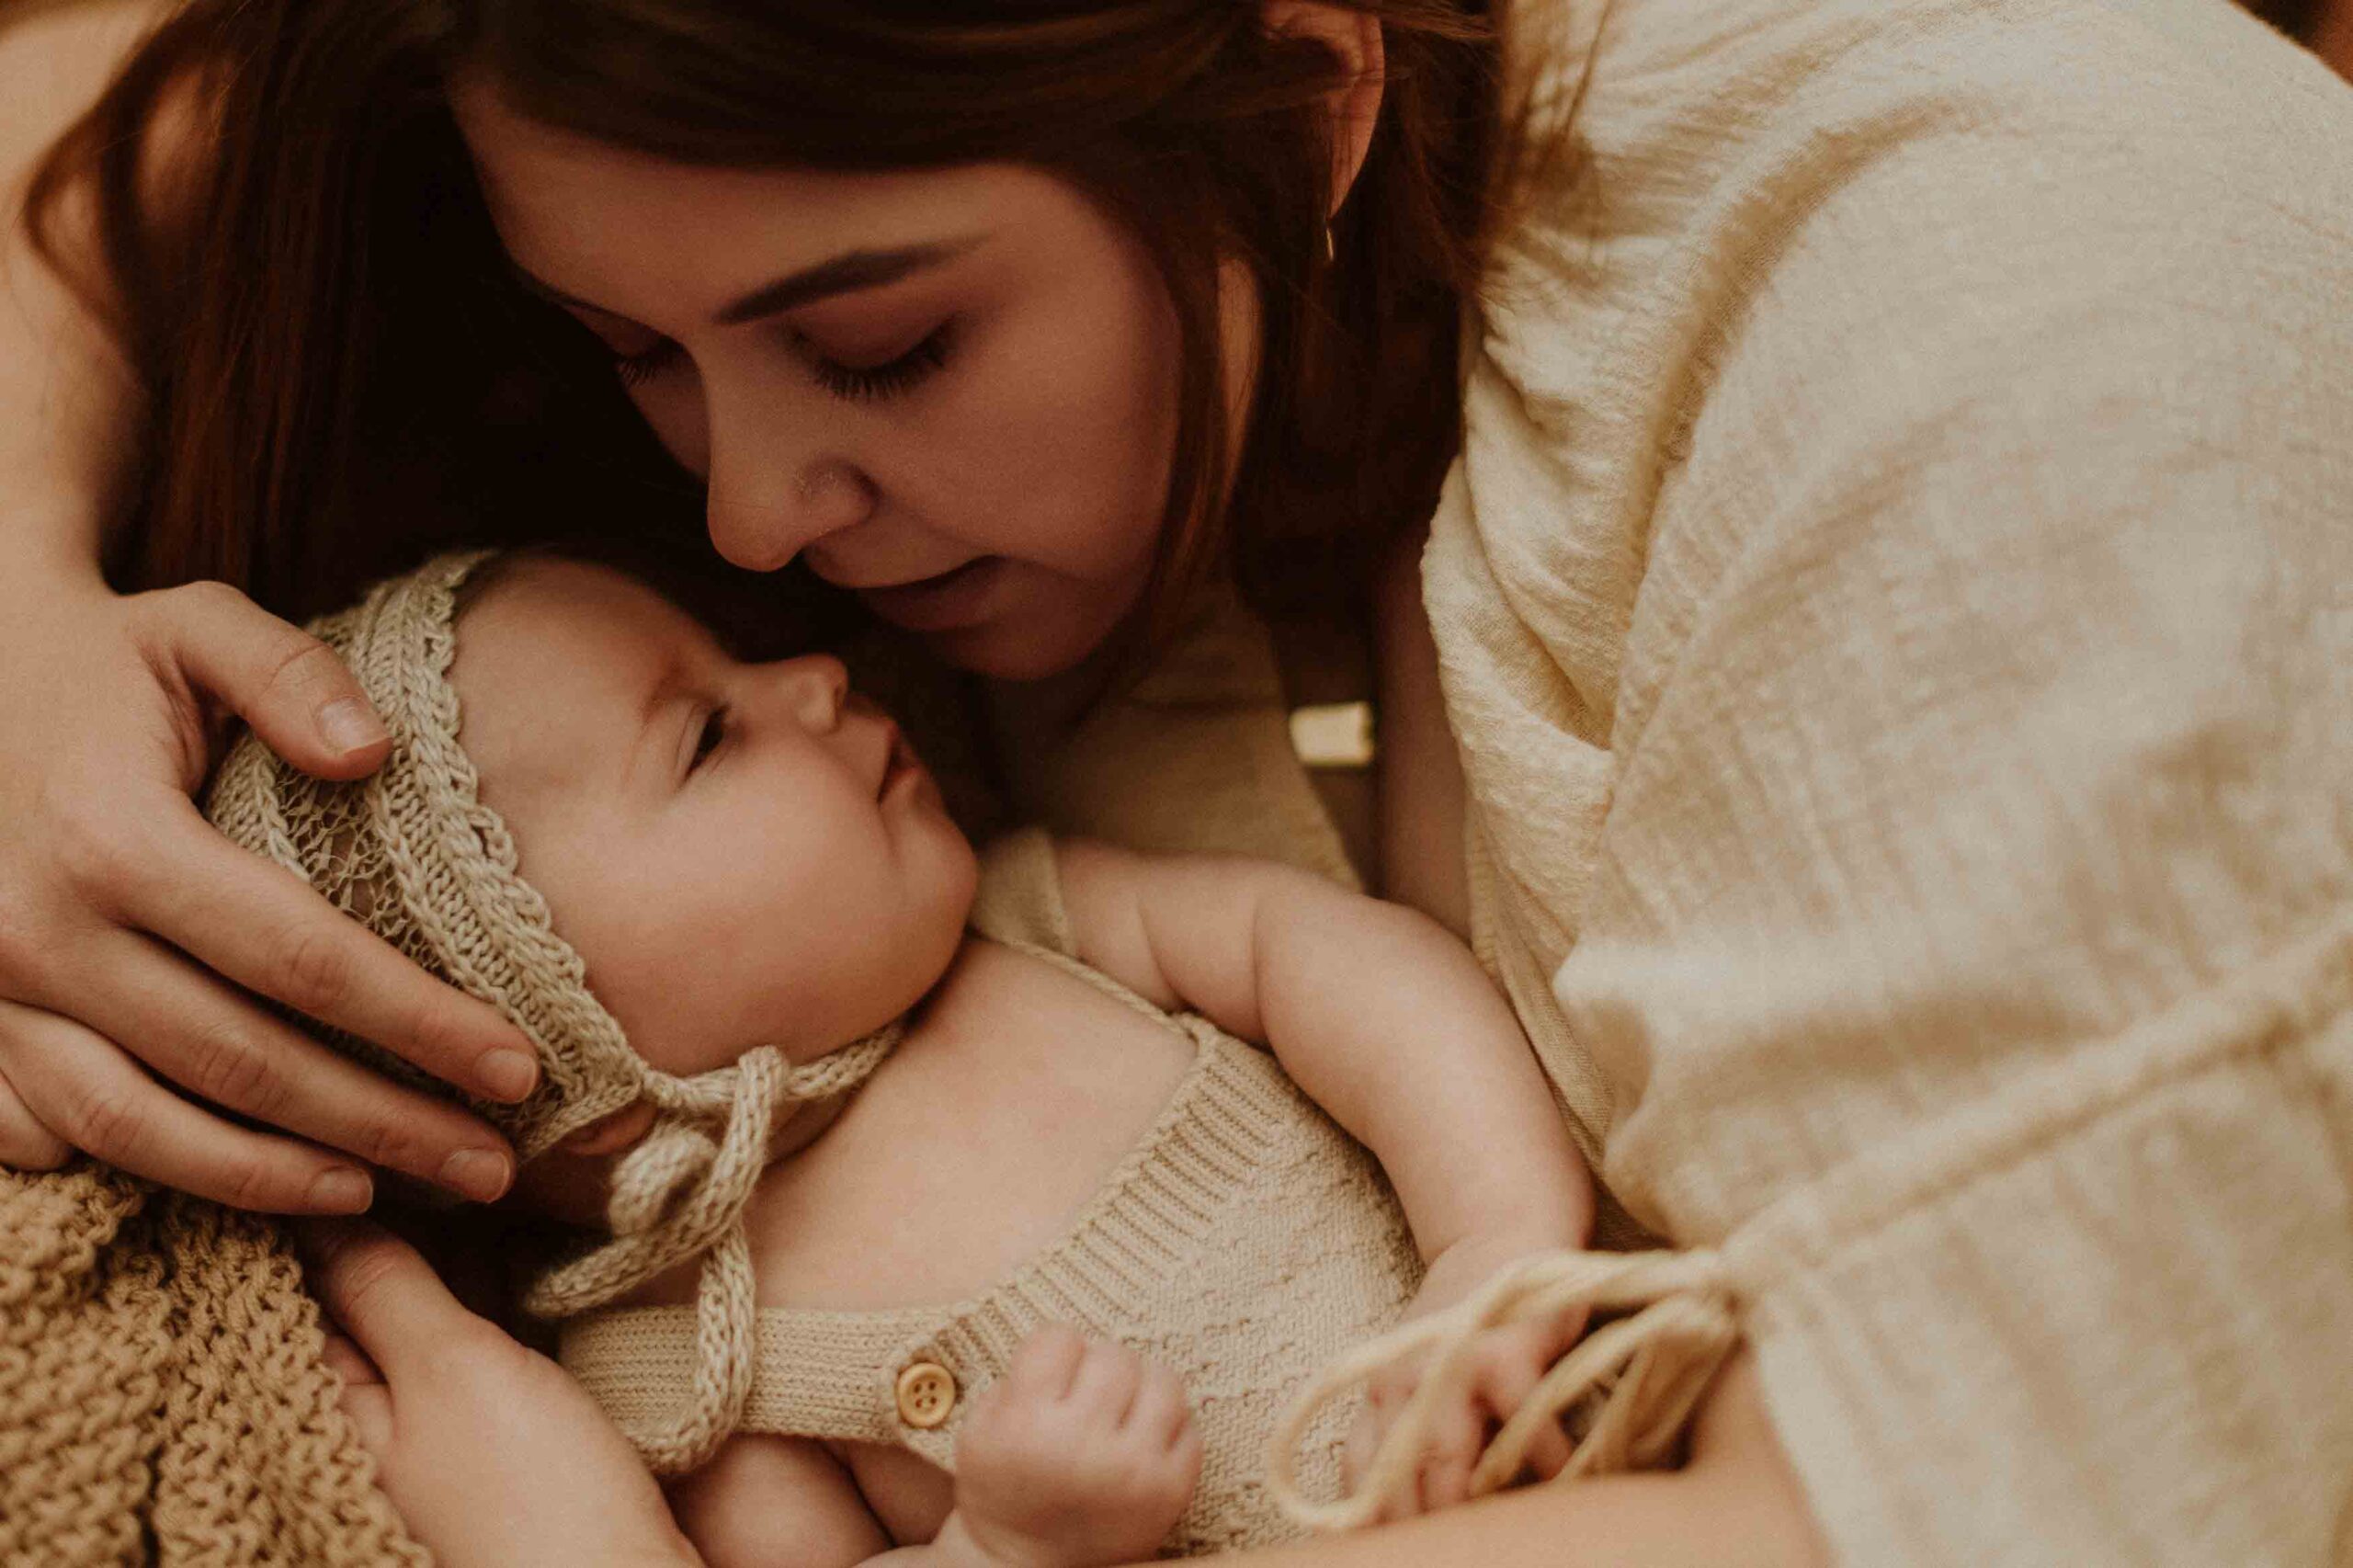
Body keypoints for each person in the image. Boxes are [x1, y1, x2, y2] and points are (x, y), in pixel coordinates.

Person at [2, 0, 2347, 1563]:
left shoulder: (2015, 363)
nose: (746, 526)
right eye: (634, 349)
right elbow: (141, 83)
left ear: (1308, 96)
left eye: (887, 343)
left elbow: (1988, 1484)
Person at [201, 543, 1598, 1562]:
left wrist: (1491, 1249)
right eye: (707, 734)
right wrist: (1000, 1545)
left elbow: (1360, 971)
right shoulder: (698, 1374)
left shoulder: (1044, 920)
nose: (812, 675)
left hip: (1590, 1436)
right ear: (563, 1058)